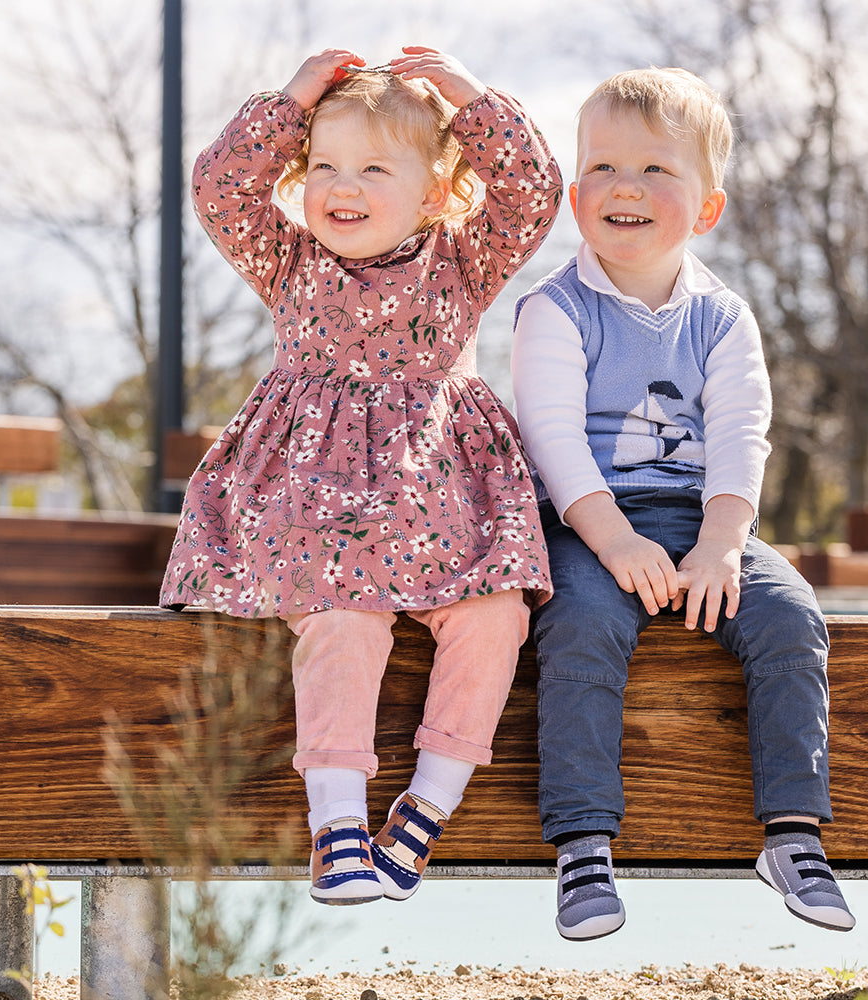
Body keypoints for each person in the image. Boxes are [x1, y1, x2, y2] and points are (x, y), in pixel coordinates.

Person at [161, 45, 562, 906]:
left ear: (432, 194)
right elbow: (221, 191)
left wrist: (471, 96)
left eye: (375, 167)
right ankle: (337, 825)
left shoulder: (463, 262)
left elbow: (532, 193)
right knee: (345, 622)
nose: (343, 185)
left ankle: (425, 807)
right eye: (325, 165)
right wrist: (293, 99)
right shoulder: (291, 263)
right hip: (313, 504)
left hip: (442, 499)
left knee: (495, 616)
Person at [511, 67, 855, 941]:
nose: (625, 186)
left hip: (702, 518)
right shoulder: (555, 309)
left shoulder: (723, 317)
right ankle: (584, 844)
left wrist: (724, 544)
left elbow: (744, 432)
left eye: (657, 169)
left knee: (790, 617)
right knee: (580, 623)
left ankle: (792, 834)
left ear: (706, 208)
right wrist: (616, 541)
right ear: (574, 190)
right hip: (588, 522)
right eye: (602, 167)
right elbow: (552, 441)